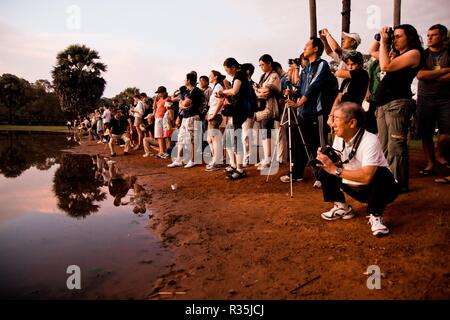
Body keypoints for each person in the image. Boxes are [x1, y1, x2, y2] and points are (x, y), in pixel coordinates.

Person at [316, 102, 398, 237]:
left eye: (336, 119)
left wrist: (335, 170)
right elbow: (339, 161)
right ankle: (342, 207)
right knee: (324, 169)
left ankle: (376, 215)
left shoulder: (370, 140)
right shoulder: (339, 138)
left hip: (378, 190)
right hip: (354, 186)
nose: (332, 123)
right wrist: (327, 159)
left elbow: (367, 177)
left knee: (381, 174)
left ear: (352, 123)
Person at [374, 24, 423, 192]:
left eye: (398, 36)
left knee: (396, 145)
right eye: (393, 36)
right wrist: (381, 37)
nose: (394, 39)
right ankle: (388, 181)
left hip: (397, 104)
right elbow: (373, 51)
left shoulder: (414, 53)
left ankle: (398, 184)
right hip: (383, 104)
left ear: (410, 37)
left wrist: (385, 43)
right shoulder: (396, 55)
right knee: (384, 146)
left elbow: (385, 67)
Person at [285, 37, 338, 186]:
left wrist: (297, 104)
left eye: (307, 45)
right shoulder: (305, 68)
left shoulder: (322, 64)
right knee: (302, 144)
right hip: (303, 113)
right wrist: (292, 92)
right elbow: (301, 89)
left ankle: (324, 176)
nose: (304, 47)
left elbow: (313, 87)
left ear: (315, 49)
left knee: (319, 145)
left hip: (317, 113)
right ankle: (298, 174)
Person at [416, 24, 450, 175]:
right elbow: (420, 75)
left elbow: (427, 75)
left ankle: (438, 153)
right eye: (428, 35)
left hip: (446, 98)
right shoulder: (422, 54)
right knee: (426, 133)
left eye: (434, 35)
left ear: (443, 36)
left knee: (447, 132)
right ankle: (430, 164)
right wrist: (444, 71)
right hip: (425, 97)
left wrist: (432, 75)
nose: (429, 38)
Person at [220, 57, 251, 180]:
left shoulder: (239, 74)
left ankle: (240, 169)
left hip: (240, 111)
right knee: (235, 139)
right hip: (238, 111)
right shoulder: (239, 75)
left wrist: (224, 91)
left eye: (227, 70)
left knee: (237, 139)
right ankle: (237, 167)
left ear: (233, 66)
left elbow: (234, 91)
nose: (227, 72)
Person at [168, 73, 204, 168]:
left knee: (193, 139)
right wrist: (183, 105)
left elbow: (186, 103)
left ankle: (193, 160)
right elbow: (181, 103)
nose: (184, 80)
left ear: (188, 80)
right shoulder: (187, 91)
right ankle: (179, 160)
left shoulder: (196, 90)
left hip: (193, 116)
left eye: (185, 79)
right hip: (185, 117)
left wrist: (183, 104)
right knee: (181, 138)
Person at [254, 54, 281, 171]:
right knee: (264, 131)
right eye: (260, 65)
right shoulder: (263, 76)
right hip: (262, 108)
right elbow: (261, 92)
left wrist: (257, 91)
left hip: (270, 107)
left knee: (267, 130)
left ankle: (268, 158)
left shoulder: (274, 75)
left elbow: (267, 92)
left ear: (269, 63)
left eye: (263, 64)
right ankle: (266, 157)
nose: (261, 67)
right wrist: (259, 91)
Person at [327, 51, 369, 128]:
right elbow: (338, 98)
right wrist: (331, 116)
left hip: (354, 115)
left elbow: (338, 73)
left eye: (353, 64)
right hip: (341, 114)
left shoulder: (363, 74)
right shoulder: (346, 80)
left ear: (360, 64)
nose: (350, 67)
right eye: (348, 64)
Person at [205, 70, 225, 171]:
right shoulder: (215, 87)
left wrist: (214, 114)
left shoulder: (218, 87)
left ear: (215, 77)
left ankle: (217, 161)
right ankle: (215, 160)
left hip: (215, 116)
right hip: (212, 115)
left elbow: (221, 101)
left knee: (215, 139)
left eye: (210, 75)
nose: (209, 77)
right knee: (211, 139)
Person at [153, 86, 170, 159]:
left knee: (165, 136)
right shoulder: (159, 99)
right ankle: (161, 151)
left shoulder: (167, 99)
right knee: (159, 136)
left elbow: (168, 110)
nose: (159, 94)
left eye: (159, 93)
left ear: (164, 92)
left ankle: (165, 152)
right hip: (157, 118)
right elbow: (154, 107)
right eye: (158, 93)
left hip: (163, 118)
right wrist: (155, 100)